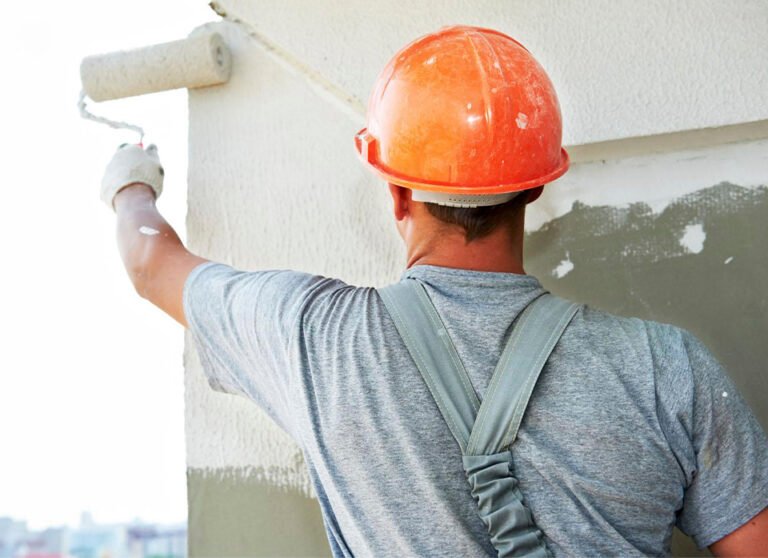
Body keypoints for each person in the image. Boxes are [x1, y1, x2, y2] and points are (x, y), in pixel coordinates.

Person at [100, 26, 768, 557]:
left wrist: (132, 180)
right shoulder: (667, 368)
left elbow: (150, 263)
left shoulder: (315, 338)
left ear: (396, 190)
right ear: (537, 185)